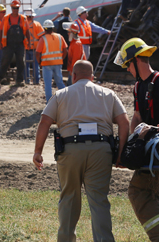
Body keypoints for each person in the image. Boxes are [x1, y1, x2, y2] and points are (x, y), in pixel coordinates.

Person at [33, 60, 129, 242]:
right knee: (99, 201)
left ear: (73, 76)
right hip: (101, 151)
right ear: (92, 77)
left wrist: (38, 151)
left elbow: (44, 121)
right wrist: (121, 153)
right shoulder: (108, 94)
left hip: (70, 150)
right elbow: (124, 122)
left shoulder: (61, 94)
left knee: (69, 198)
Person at [114, 37, 159, 242]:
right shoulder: (138, 86)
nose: (127, 69)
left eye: (127, 64)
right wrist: (132, 144)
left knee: (138, 191)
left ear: (135, 60)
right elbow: (137, 117)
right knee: (158, 196)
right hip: (147, 151)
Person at [0, 0, 30, 87]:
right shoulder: (6, 18)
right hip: (8, 44)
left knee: (21, 61)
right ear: (11, 8)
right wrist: (0, 43)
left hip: (20, 44)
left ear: (19, 8)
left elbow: (27, 31)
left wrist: (29, 42)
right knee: (5, 61)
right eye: (14, 8)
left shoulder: (23, 18)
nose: (15, 10)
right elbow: (1, 30)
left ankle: (19, 80)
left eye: (17, 8)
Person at [36, 20, 67, 103]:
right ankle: (66, 99)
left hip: (47, 64)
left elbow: (37, 53)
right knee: (59, 82)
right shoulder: (60, 37)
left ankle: (49, 102)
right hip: (58, 63)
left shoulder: (43, 39)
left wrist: (39, 63)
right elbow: (65, 50)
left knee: (48, 84)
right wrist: (61, 59)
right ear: (53, 28)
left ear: (44, 29)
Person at [24, 9, 45, 85]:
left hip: (26, 48)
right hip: (35, 48)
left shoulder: (23, 25)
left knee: (26, 66)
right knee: (35, 65)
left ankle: (27, 81)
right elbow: (42, 36)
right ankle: (36, 81)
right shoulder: (37, 24)